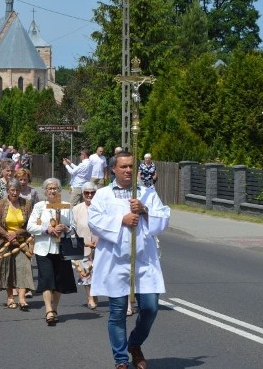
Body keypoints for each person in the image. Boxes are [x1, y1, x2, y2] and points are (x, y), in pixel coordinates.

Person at [88, 151, 170, 369]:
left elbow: (163, 218)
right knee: (117, 312)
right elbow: (94, 222)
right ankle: (121, 359)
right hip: (116, 262)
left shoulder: (146, 193)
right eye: (123, 166)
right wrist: (121, 219)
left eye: (131, 166)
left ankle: (134, 344)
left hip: (144, 261)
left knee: (151, 308)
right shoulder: (103, 194)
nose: (128, 170)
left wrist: (144, 210)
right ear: (113, 169)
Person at [27, 178, 77, 326]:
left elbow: (74, 228)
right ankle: (48, 310)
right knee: (47, 279)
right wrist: (46, 229)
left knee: (59, 280)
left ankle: (54, 309)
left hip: (61, 248)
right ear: (45, 191)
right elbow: (31, 226)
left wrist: (66, 229)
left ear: (60, 190)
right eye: (49, 188)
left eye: (55, 188)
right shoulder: (40, 207)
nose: (52, 191)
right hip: (44, 248)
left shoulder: (66, 206)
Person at [0, 178, 34, 311]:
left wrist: (17, 233)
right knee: (7, 270)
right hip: (5, 242)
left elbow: (30, 224)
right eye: (12, 190)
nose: (14, 193)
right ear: (8, 191)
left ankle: (22, 298)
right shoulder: (1, 204)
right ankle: (10, 297)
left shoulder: (26, 203)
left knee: (23, 268)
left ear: (20, 191)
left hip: (21, 242)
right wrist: (7, 234)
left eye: (17, 190)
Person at [71, 181, 98, 310]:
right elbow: (73, 229)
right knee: (86, 274)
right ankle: (90, 298)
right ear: (82, 194)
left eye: (92, 192)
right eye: (86, 193)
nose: (89, 195)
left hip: (100, 246)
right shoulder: (77, 209)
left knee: (98, 273)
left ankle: (95, 293)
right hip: (84, 246)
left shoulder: (102, 207)